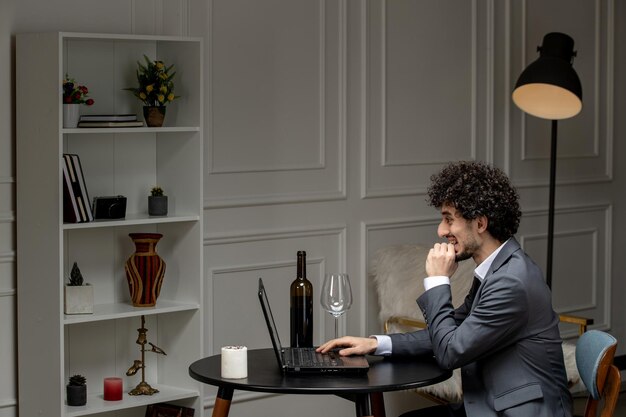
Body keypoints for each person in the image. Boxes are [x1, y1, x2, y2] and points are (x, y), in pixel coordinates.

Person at [317, 161, 572, 417]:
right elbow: (450, 334)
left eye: (449, 220)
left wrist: (439, 280)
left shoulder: (511, 281)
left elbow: (450, 352)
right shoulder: (495, 269)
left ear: (480, 223)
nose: (441, 231)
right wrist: (376, 344)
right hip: (489, 405)